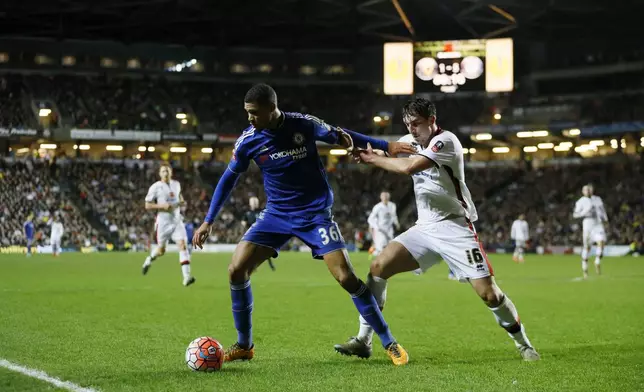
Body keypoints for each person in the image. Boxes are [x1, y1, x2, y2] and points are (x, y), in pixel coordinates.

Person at [192, 84, 416, 366]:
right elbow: (228, 179)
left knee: (346, 277)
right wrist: (208, 220)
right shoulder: (248, 140)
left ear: (272, 109)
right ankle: (244, 345)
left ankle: (389, 342)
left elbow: (339, 134)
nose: (249, 119)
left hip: (315, 214)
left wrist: (387, 145)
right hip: (276, 215)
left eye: (254, 113)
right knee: (236, 269)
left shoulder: (303, 124)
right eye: (247, 113)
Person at [334, 97, 540, 362]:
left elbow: (409, 166)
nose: (412, 129)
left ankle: (523, 343)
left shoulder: (446, 141)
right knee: (378, 267)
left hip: (455, 227)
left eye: (417, 124)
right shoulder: (409, 141)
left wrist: (373, 159)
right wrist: (359, 147)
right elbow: (387, 151)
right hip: (425, 228)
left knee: (489, 294)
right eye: (408, 124)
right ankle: (364, 340)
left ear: (432, 120)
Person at [142, 164, 195, 286]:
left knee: (182, 246)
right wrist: (162, 206)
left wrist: (182, 201)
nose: (165, 172)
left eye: (167, 170)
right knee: (161, 250)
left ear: (171, 173)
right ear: (160, 174)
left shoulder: (176, 184)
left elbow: (179, 196)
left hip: (176, 221)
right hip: (163, 222)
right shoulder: (155, 187)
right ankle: (149, 259)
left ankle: (186, 278)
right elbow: (147, 205)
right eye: (163, 171)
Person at [573, 184, 608, 279]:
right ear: (583, 192)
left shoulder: (597, 199)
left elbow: (602, 210)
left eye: (589, 189)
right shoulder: (580, 202)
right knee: (587, 248)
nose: (588, 191)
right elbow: (575, 215)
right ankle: (585, 269)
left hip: (598, 224)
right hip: (588, 225)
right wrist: (584, 213)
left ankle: (597, 261)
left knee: (601, 242)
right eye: (586, 190)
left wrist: (605, 219)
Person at [241, 196, 275, 271]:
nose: (255, 203)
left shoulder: (260, 212)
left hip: (260, 233)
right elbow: (243, 222)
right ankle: (252, 266)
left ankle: (270, 264)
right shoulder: (247, 213)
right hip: (251, 234)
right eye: (253, 202)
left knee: (265, 249)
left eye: (255, 202)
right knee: (251, 252)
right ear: (250, 203)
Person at [367, 191, 399, 259]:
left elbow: (394, 215)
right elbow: (370, 219)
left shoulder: (392, 205)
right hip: (380, 229)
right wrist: (375, 227)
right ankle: (378, 258)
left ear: (389, 197)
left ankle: (377, 254)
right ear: (381, 197)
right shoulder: (377, 207)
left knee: (390, 244)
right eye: (383, 196)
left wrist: (396, 223)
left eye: (386, 196)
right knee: (381, 245)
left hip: (389, 228)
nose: (385, 198)